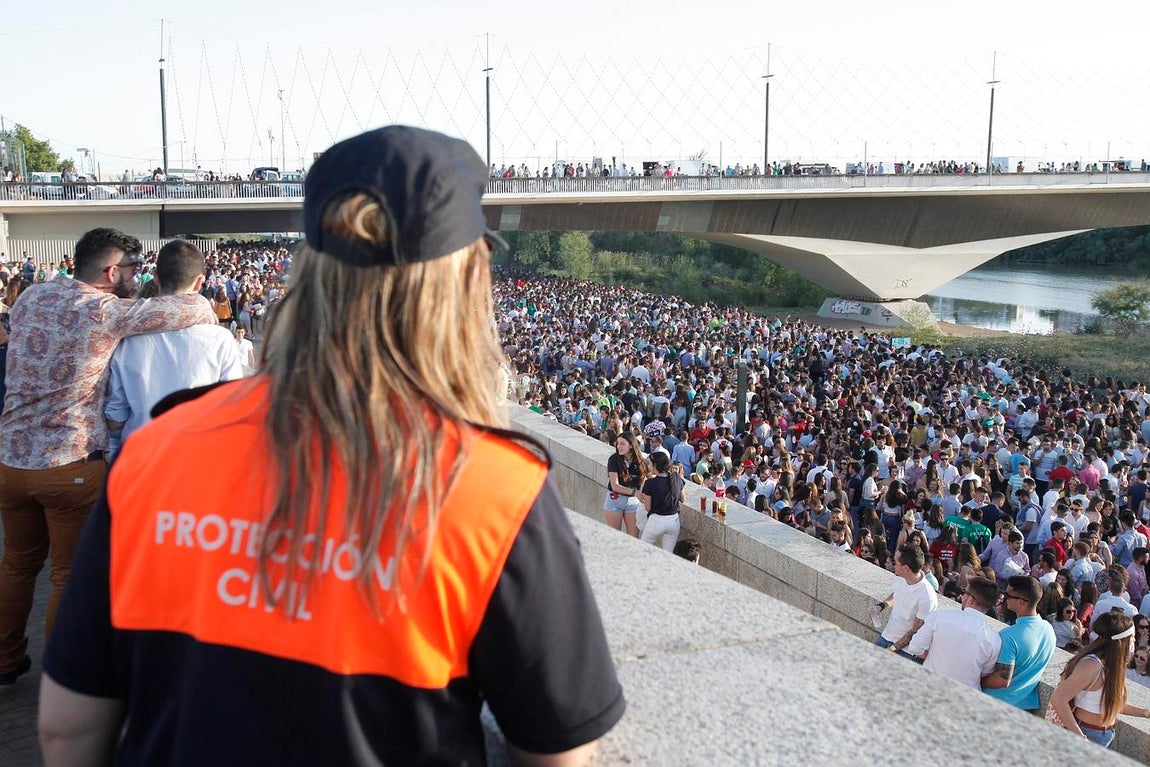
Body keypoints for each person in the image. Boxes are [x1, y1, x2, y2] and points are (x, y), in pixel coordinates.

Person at [38, 125, 624, 765]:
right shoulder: (494, 488)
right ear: (459, 290)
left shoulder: (159, 451)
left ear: (309, 272)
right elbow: (559, 750)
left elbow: (68, 729)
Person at [0, 228, 216, 687]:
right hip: (70, 462)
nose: (138, 277)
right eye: (134, 269)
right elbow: (194, 305)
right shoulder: (103, 311)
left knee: (17, 563)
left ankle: (4, 659)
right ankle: (59, 674)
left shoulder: (30, 298)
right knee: (68, 574)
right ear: (111, 271)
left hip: (10, 460)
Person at [104, 240, 246, 459]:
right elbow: (233, 412)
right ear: (200, 282)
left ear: (157, 277)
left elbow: (115, 416)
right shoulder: (221, 340)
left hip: (140, 461)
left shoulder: (127, 341)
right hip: (198, 460)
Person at [1048, 612, 1150, 748]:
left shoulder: (1109, 665)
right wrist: (1081, 738)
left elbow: (1112, 703)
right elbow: (1058, 699)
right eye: (1131, 637)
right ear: (1121, 641)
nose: (1134, 641)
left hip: (1104, 734)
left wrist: (1145, 713)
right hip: (1088, 734)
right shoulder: (1091, 665)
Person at [905, 576, 1002, 689]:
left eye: (964, 591)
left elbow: (915, 647)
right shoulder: (994, 639)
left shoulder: (940, 617)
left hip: (931, 685)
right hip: (965, 696)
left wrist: (935, 657)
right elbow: (985, 671)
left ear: (971, 599)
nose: (961, 595)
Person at [981, 575, 1057, 712]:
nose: (1004, 598)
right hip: (1027, 706)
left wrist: (976, 678)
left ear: (1022, 602)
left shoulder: (1009, 636)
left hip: (998, 706)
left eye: (1008, 595)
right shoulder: (1048, 630)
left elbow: (1002, 680)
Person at [872, 543, 938, 659]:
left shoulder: (927, 596)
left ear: (905, 568)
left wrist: (892, 649)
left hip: (905, 651)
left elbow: (915, 631)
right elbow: (897, 594)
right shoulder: (901, 577)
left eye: (896, 563)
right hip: (886, 637)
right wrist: (881, 606)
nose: (894, 565)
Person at [604, 431, 649, 537]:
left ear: (631, 445)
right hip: (615, 500)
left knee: (633, 538)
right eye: (618, 443)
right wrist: (634, 492)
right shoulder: (614, 459)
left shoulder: (640, 460)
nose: (619, 446)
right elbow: (615, 485)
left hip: (633, 502)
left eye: (622, 443)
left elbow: (651, 476)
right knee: (615, 537)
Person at [638, 451, 685, 552]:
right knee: (669, 554)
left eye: (649, 464)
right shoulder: (676, 477)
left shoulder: (649, 483)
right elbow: (683, 499)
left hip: (656, 521)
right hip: (674, 521)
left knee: (643, 549)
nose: (648, 466)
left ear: (655, 465)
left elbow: (648, 508)